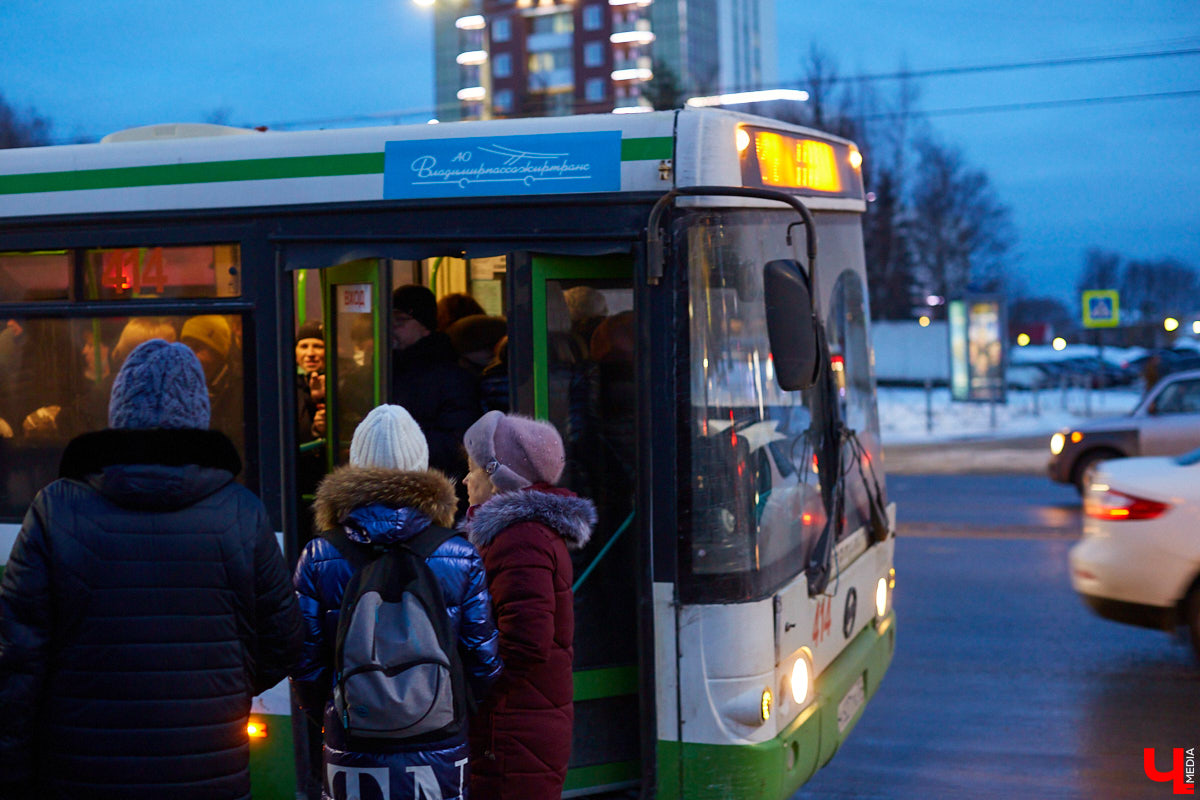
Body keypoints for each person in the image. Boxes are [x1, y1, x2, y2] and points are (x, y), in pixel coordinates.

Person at [0, 339, 303, 800]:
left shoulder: (56, 508)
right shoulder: (241, 512)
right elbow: (284, 643)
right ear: (199, 412)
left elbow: (17, 659)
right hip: (208, 768)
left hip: (82, 772)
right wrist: (217, 687)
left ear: (119, 410)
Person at [292, 404, 502, 800]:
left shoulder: (320, 555)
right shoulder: (458, 554)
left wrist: (339, 710)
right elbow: (484, 661)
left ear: (356, 466)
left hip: (353, 742)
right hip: (440, 742)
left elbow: (304, 662)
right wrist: (450, 707)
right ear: (421, 467)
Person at [459, 411, 596, 800]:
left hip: (511, 731)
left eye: (473, 469)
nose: (466, 480)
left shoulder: (520, 539)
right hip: (518, 725)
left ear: (500, 477)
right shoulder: (519, 534)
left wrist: (470, 685)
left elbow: (526, 642)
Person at [391, 285, 481, 501]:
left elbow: (458, 444)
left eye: (400, 320)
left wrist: (396, 443)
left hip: (434, 496)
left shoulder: (452, 377)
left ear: (425, 326)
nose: (392, 328)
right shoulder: (384, 369)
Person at [181, 314, 243, 452]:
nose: (190, 356)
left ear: (218, 353)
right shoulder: (178, 386)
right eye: (186, 348)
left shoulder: (240, 388)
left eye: (197, 348)